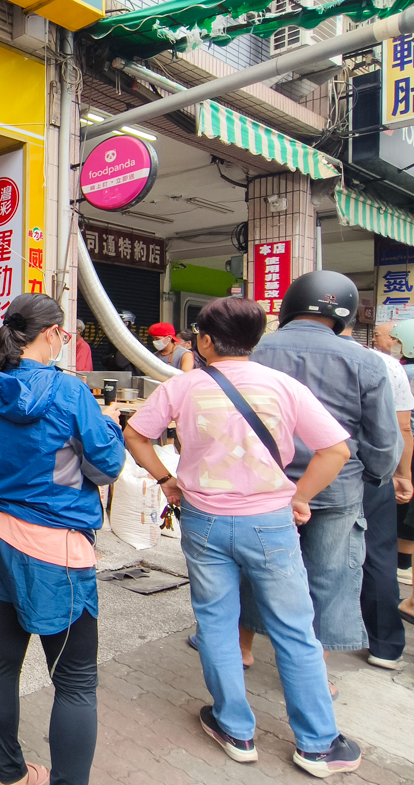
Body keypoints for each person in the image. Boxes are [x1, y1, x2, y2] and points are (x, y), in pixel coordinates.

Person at [125, 297, 362, 778]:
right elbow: (335, 450)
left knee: (215, 622)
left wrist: (167, 481)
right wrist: (299, 496)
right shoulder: (283, 385)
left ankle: (235, 728)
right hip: (271, 523)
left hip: (203, 520)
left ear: (206, 341)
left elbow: (135, 434)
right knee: (295, 628)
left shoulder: (183, 386)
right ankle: (317, 745)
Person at [0, 294, 125, 785]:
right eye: (65, 333)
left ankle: (11, 771)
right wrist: (109, 428)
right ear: (51, 334)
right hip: (55, 549)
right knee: (74, 682)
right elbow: (108, 464)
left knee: (1, 660)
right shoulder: (69, 393)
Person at [242, 271, 401, 687]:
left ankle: (244, 649)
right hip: (336, 485)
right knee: (328, 575)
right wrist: (377, 476)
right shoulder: (367, 360)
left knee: (261, 567)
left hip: (264, 486)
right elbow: (384, 437)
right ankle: (312, 672)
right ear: (344, 313)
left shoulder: (253, 350)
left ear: (290, 304)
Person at [341, 320, 412, 669]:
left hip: (305, 473)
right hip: (371, 472)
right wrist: (401, 473)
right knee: (378, 554)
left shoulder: (275, 354)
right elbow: (400, 427)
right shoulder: (386, 365)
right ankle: (384, 645)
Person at [384, 320, 414, 620]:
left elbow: (403, 425)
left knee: (402, 515)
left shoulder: (402, 372)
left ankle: (403, 564)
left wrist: (402, 472)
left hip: (405, 451)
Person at [101, 310, 142, 375]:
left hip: (129, 379)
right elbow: (103, 360)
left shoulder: (131, 338)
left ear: (126, 323)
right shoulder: (114, 337)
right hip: (116, 376)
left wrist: (111, 357)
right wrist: (112, 357)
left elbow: (120, 362)